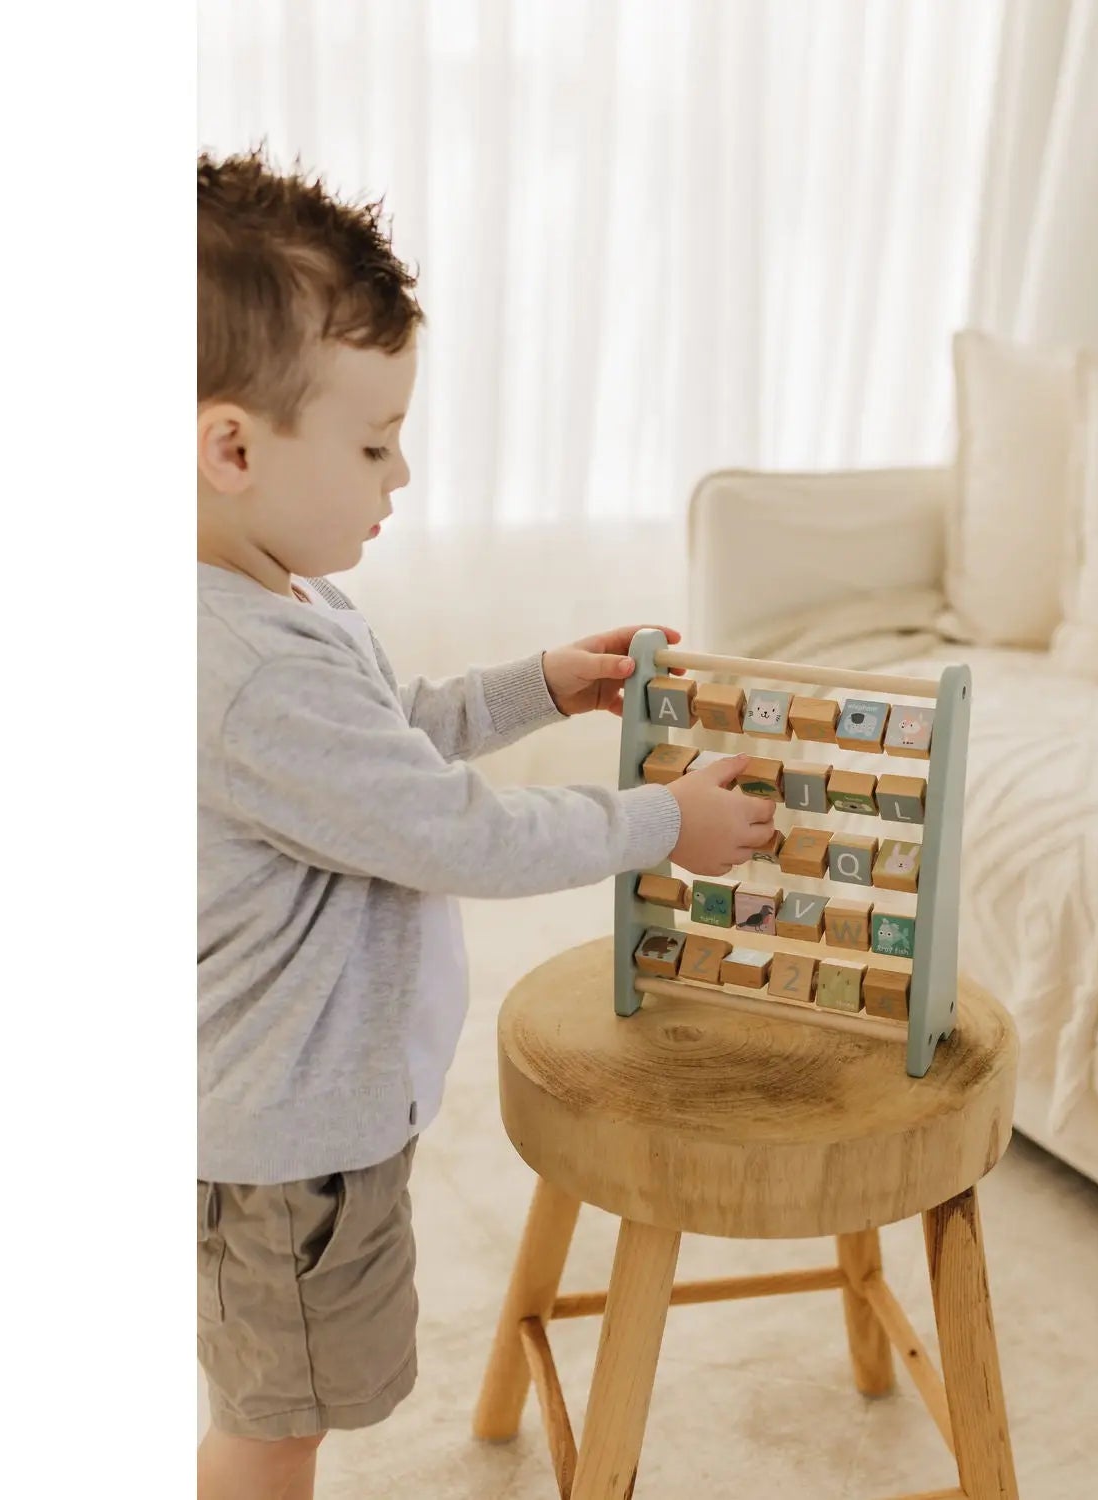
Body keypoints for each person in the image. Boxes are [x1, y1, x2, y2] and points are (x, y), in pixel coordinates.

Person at [196, 147, 771, 1500]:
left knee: (294, 1397)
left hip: (306, 1122)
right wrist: (658, 824)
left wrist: (538, 686)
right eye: (374, 443)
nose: (402, 473)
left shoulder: (281, 602)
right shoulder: (251, 671)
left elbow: (393, 741)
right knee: (277, 1421)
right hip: (288, 1150)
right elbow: (456, 834)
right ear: (232, 447)